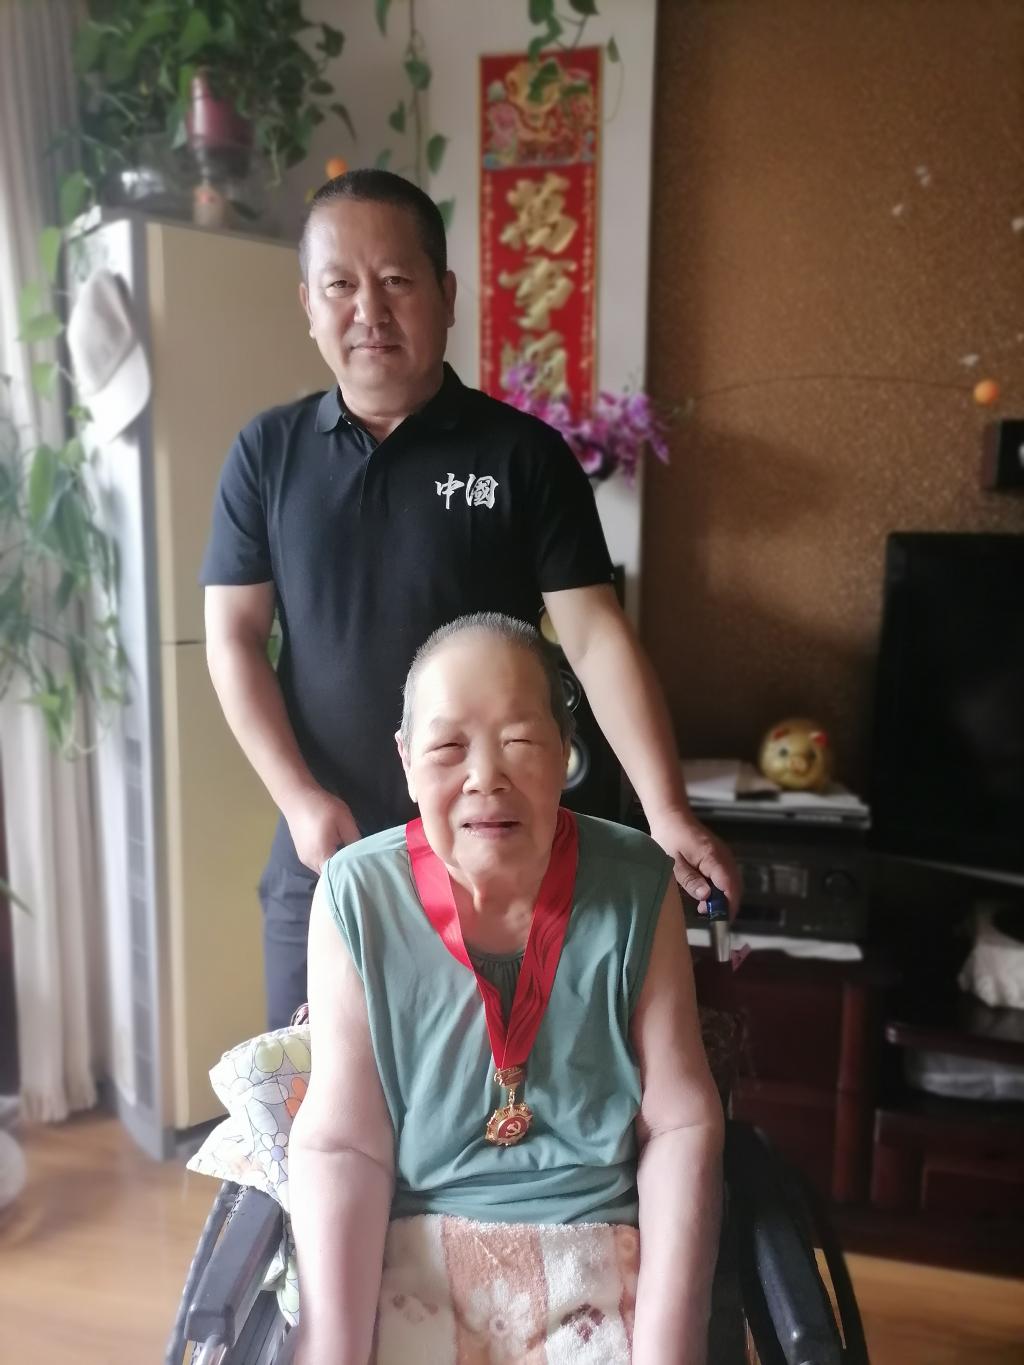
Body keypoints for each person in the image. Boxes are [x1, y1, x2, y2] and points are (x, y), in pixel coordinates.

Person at [201, 168, 738, 1028]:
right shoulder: (268, 454)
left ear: (446, 295)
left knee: (497, 1098)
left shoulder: (524, 456)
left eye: (396, 280)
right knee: (316, 1100)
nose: (369, 310)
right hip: (327, 853)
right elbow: (233, 637)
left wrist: (666, 809)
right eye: (340, 285)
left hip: (494, 858)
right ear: (308, 304)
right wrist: (298, 797)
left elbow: (595, 637)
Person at [288, 614, 724, 1364]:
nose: (485, 777)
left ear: (565, 750)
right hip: (417, 1249)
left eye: (520, 741)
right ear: (406, 761)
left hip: (596, 1245)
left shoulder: (638, 885)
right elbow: (345, 1142)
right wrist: (334, 1346)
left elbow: (680, 1123)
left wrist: (668, 1346)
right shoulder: (355, 895)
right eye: (448, 748)